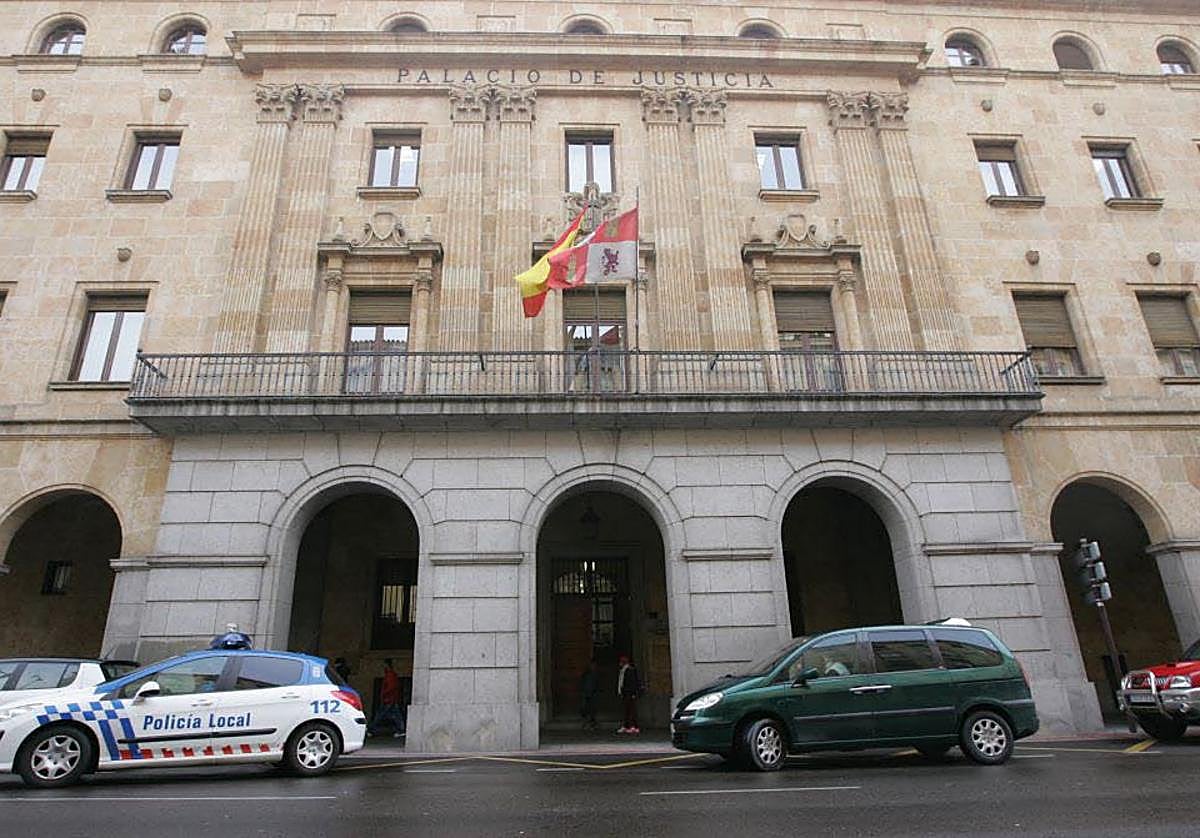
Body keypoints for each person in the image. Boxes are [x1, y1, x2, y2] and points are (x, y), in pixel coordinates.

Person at [367, 658, 407, 738]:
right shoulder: (391, 675)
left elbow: (390, 687)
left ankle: (371, 729)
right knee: (395, 715)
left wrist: (384, 695)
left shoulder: (390, 675)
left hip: (388, 699)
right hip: (391, 699)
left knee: (380, 715)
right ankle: (401, 729)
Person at [616, 653, 642, 734]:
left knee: (632, 710)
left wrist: (633, 693)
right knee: (627, 710)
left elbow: (633, 683)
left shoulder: (630, 670)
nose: (620, 663)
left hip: (630, 693)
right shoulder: (622, 670)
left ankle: (634, 726)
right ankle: (626, 726)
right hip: (625, 693)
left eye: (621, 661)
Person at [579, 659, 600, 731]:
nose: (593, 667)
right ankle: (587, 724)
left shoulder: (596, 675)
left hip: (593, 694)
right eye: (592, 665)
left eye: (594, 665)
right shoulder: (586, 674)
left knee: (592, 710)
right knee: (585, 709)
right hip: (586, 694)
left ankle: (592, 724)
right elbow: (582, 684)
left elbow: (597, 685)